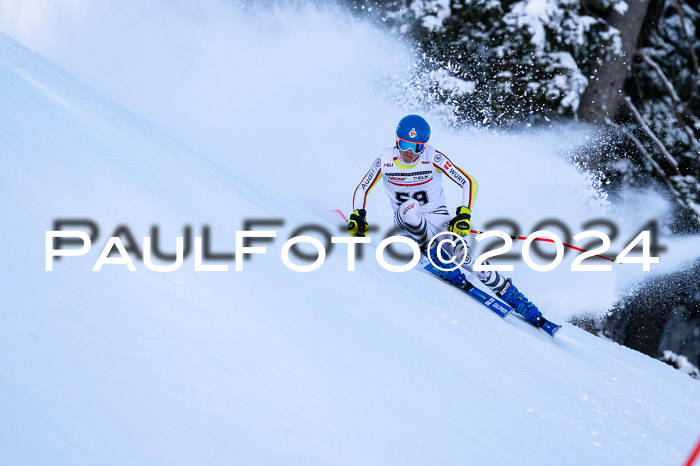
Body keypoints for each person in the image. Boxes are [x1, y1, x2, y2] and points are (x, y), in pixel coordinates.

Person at [348, 114, 544, 327]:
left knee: (468, 259)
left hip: (438, 218)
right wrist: (358, 215)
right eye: (404, 145)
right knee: (411, 207)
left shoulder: (433, 158)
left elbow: (469, 182)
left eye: (416, 147)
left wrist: (463, 214)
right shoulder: (384, 161)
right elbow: (362, 188)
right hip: (406, 222)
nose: (409, 153)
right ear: (397, 141)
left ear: (425, 146)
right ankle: (431, 253)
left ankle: (517, 300)